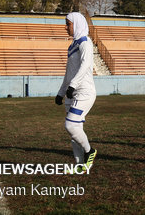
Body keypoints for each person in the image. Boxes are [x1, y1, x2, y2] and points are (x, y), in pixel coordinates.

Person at [55, 12, 97, 173]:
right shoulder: (72, 45)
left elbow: (86, 65)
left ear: (78, 24)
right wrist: (61, 92)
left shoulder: (85, 42)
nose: (65, 27)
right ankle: (80, 165)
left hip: (84, 91)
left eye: (68, 24)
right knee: (75, 131)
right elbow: (69, 72)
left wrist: (72, 85)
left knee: (71, 125)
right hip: (72, 91)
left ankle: (89, 151)